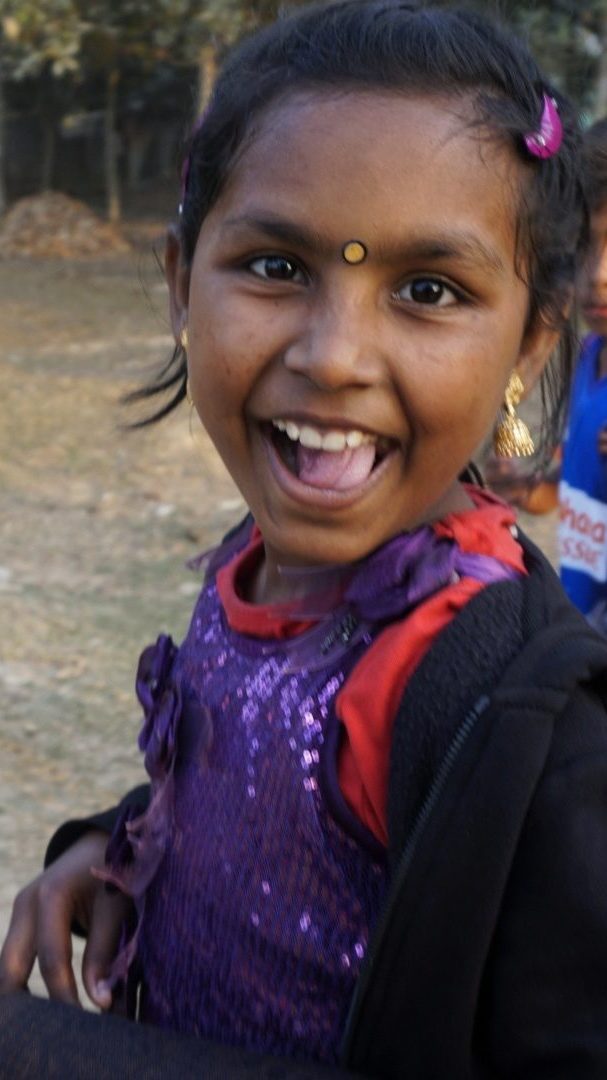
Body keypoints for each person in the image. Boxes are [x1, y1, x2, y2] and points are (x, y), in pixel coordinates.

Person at [2, 2, 607, 1076]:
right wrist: (114, 843)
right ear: (181, 283)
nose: (333, 356)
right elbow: (240, 788)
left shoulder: (521, 719)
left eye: (427, 290)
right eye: (277, 267)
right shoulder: (254, 560)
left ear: (527, 345)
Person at [558, 118, 607, 627]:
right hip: (579, 613)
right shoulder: (589, 354)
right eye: (584, 246)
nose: (597, 275)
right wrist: (531, 485)